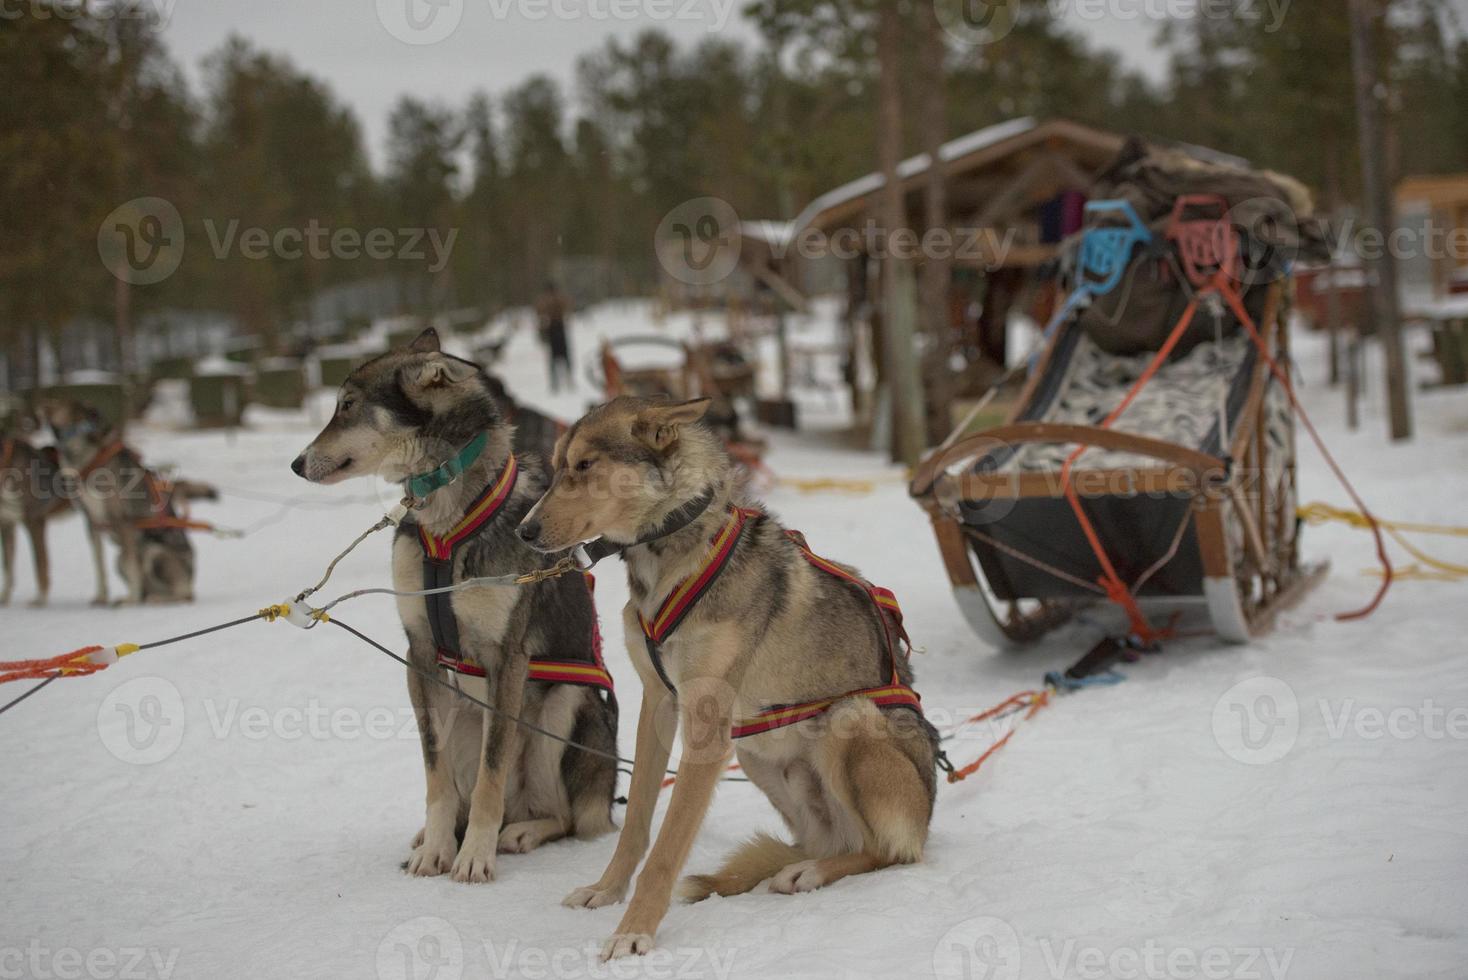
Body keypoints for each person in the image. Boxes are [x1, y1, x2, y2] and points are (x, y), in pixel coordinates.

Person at [535, 281, 572, 392]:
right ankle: (560, 381)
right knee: (561, 357)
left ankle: (561, 381)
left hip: (555, 328)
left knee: (559, 357)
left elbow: (540, 312)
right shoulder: (554, 299)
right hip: (555, 328)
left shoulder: (547, 300)